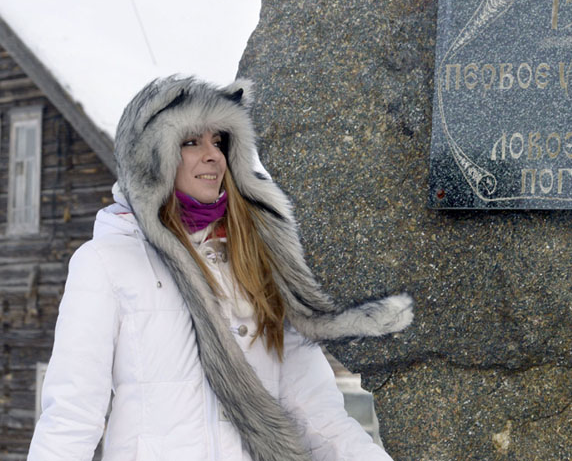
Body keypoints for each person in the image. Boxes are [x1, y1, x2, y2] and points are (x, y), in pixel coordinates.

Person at [28, 76, 413, 461]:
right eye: (191, 141)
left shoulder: (255, 260)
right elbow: (72, 415)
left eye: (219, 142)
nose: (213, 155)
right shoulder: (106, 262)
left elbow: (319, 418)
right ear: (149, 157)